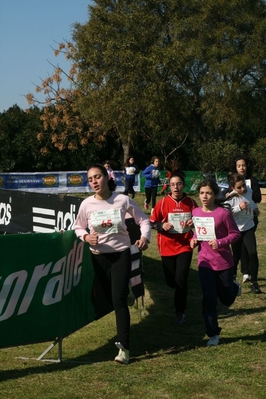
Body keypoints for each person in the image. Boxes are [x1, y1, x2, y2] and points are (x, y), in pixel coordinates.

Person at [73, 163, 151, 365]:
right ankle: (126, 292)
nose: (94, 182)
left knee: (118, 300)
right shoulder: (86, 204)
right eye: (90, 179)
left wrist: (144, 238)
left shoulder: (123, 200)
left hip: (120, 255)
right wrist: (86, 237)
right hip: (98, 258)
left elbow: (143, 220)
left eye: (97, 177)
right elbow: (77, 227)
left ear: (107, 177)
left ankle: (124, 348)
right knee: (106, 300)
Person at [190, 178, 241, 347]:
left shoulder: (223, 214)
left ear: (215, 194)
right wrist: (194, 240)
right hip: (205, 262)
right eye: (202, 193)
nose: (205, 196)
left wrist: (220, 242)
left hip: (223, 262)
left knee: (226, 299)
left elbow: (235, 234)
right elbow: (199, 232)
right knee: (209, 298)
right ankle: (213, 333)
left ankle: (234, 287)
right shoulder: (196, 212)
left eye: (209, 193)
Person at [150, 170, 198, 324]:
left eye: (178, 184)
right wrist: (161, 225)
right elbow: (151, 222)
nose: (176, 187)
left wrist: (194, 222)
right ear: (169, 186)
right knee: (171, 281)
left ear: (183, 185)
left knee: (181, 280)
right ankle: (176, 293)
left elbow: (201, 221)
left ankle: (180, 311)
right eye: (172, 185)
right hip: (167, 246)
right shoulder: (163, 202)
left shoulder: (191, 203)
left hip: (185, 245)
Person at [227, 154, 261, 282]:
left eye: (243, 165)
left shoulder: (250, 185)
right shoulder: (230, 194)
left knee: (251, 251)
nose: (242, 167)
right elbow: (227, 212)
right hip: (236, 227)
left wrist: (254, 208)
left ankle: (252, 280)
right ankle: (233, 277)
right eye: (239, 165)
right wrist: (237, 207)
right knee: (236, 254)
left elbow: (252, 199)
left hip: (249, 224)